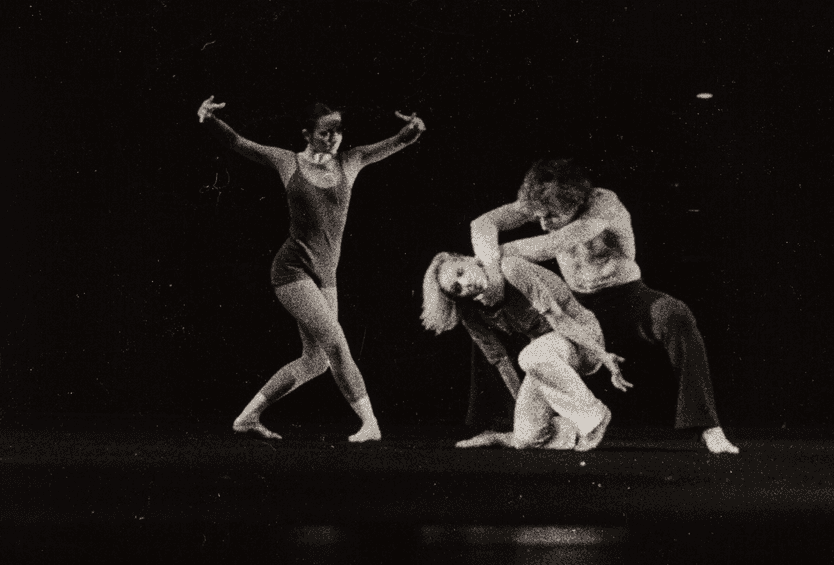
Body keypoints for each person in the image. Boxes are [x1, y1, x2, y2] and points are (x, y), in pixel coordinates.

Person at [470, 158, 740, 454]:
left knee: (677, 315)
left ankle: (709, 427)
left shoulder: (604, 205)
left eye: (551, 216)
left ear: (575, 202)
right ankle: (500, 420)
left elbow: (553, 244)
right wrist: (493, 278)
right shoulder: (546, 200)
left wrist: (488, 262)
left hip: (627, 299)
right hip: (577, 306)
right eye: (538, 217)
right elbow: (482, 224)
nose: (544, 223)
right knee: (492, 307)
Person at [199, 95, 425, 442]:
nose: (334, 137)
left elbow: (399, 141)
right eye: (325, 132)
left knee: (316, 362)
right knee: (337, 345)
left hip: (326, 275)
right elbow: (239, 143)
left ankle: (247, 418)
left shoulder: (351, 161)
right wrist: (209, 119)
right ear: (307, 134)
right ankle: (370, 424)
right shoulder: (287, 162)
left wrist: (413, 128)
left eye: (338, 131)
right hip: (292, 271)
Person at [422, 252, 628, 450]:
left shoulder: (510, 268)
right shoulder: (471, 312)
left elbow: (559, 319)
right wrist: (526, 413)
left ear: (469, 261)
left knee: (530, 356)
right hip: (547, 359)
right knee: (528, 438)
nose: (466, 283)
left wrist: (603, 355)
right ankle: (567, 429)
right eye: (458, 288)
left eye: (461, 272)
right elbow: (501, 361)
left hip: (583, 341)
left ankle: (594, 418)